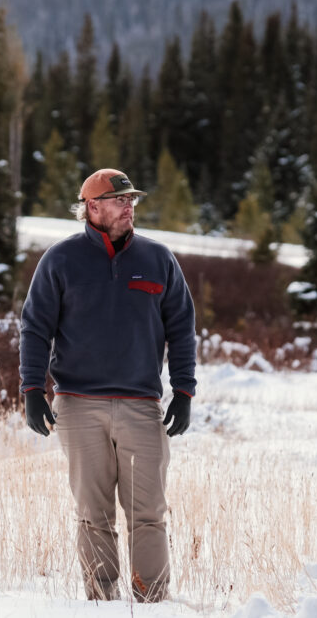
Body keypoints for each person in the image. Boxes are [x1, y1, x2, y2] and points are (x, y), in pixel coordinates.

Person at [19, 168, 197, 603]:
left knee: (148, 512)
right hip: (78, 406)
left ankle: (152, 601)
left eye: (132, 200)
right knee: (92, 514)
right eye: (120, 201)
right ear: (92, 207)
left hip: (141, 405)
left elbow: (182, 328)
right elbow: (35, 328)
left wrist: (185, 391)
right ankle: (100, 600)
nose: (129, 208)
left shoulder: (158, 259)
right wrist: (32, 391)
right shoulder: (60, 260)